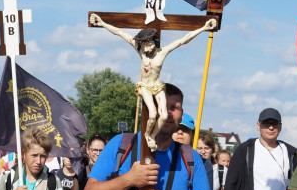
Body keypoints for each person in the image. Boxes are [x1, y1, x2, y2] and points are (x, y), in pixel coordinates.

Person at [89, 13, 216, 151]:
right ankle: (147, 135)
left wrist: (203, 28)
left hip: (157, 86)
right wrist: (102, 22)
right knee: (153, 114)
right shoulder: (141, 51)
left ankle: (152, 136)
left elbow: (184, 39)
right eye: (144, 46)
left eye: (149, 45)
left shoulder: (162, 52)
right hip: (145, 86)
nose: (147, 49)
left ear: (154, 43)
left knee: (164, 115)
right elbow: (120, 33)